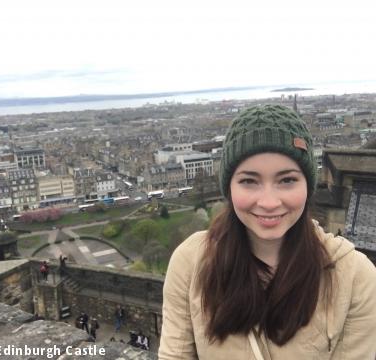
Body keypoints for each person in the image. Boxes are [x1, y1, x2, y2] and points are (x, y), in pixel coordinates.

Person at [159, 105, 376, 359]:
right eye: (249, 181)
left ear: (308, 185)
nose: (269, 202)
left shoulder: (356, 277)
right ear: (229, 187)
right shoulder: (190, 260)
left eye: (287, 180)